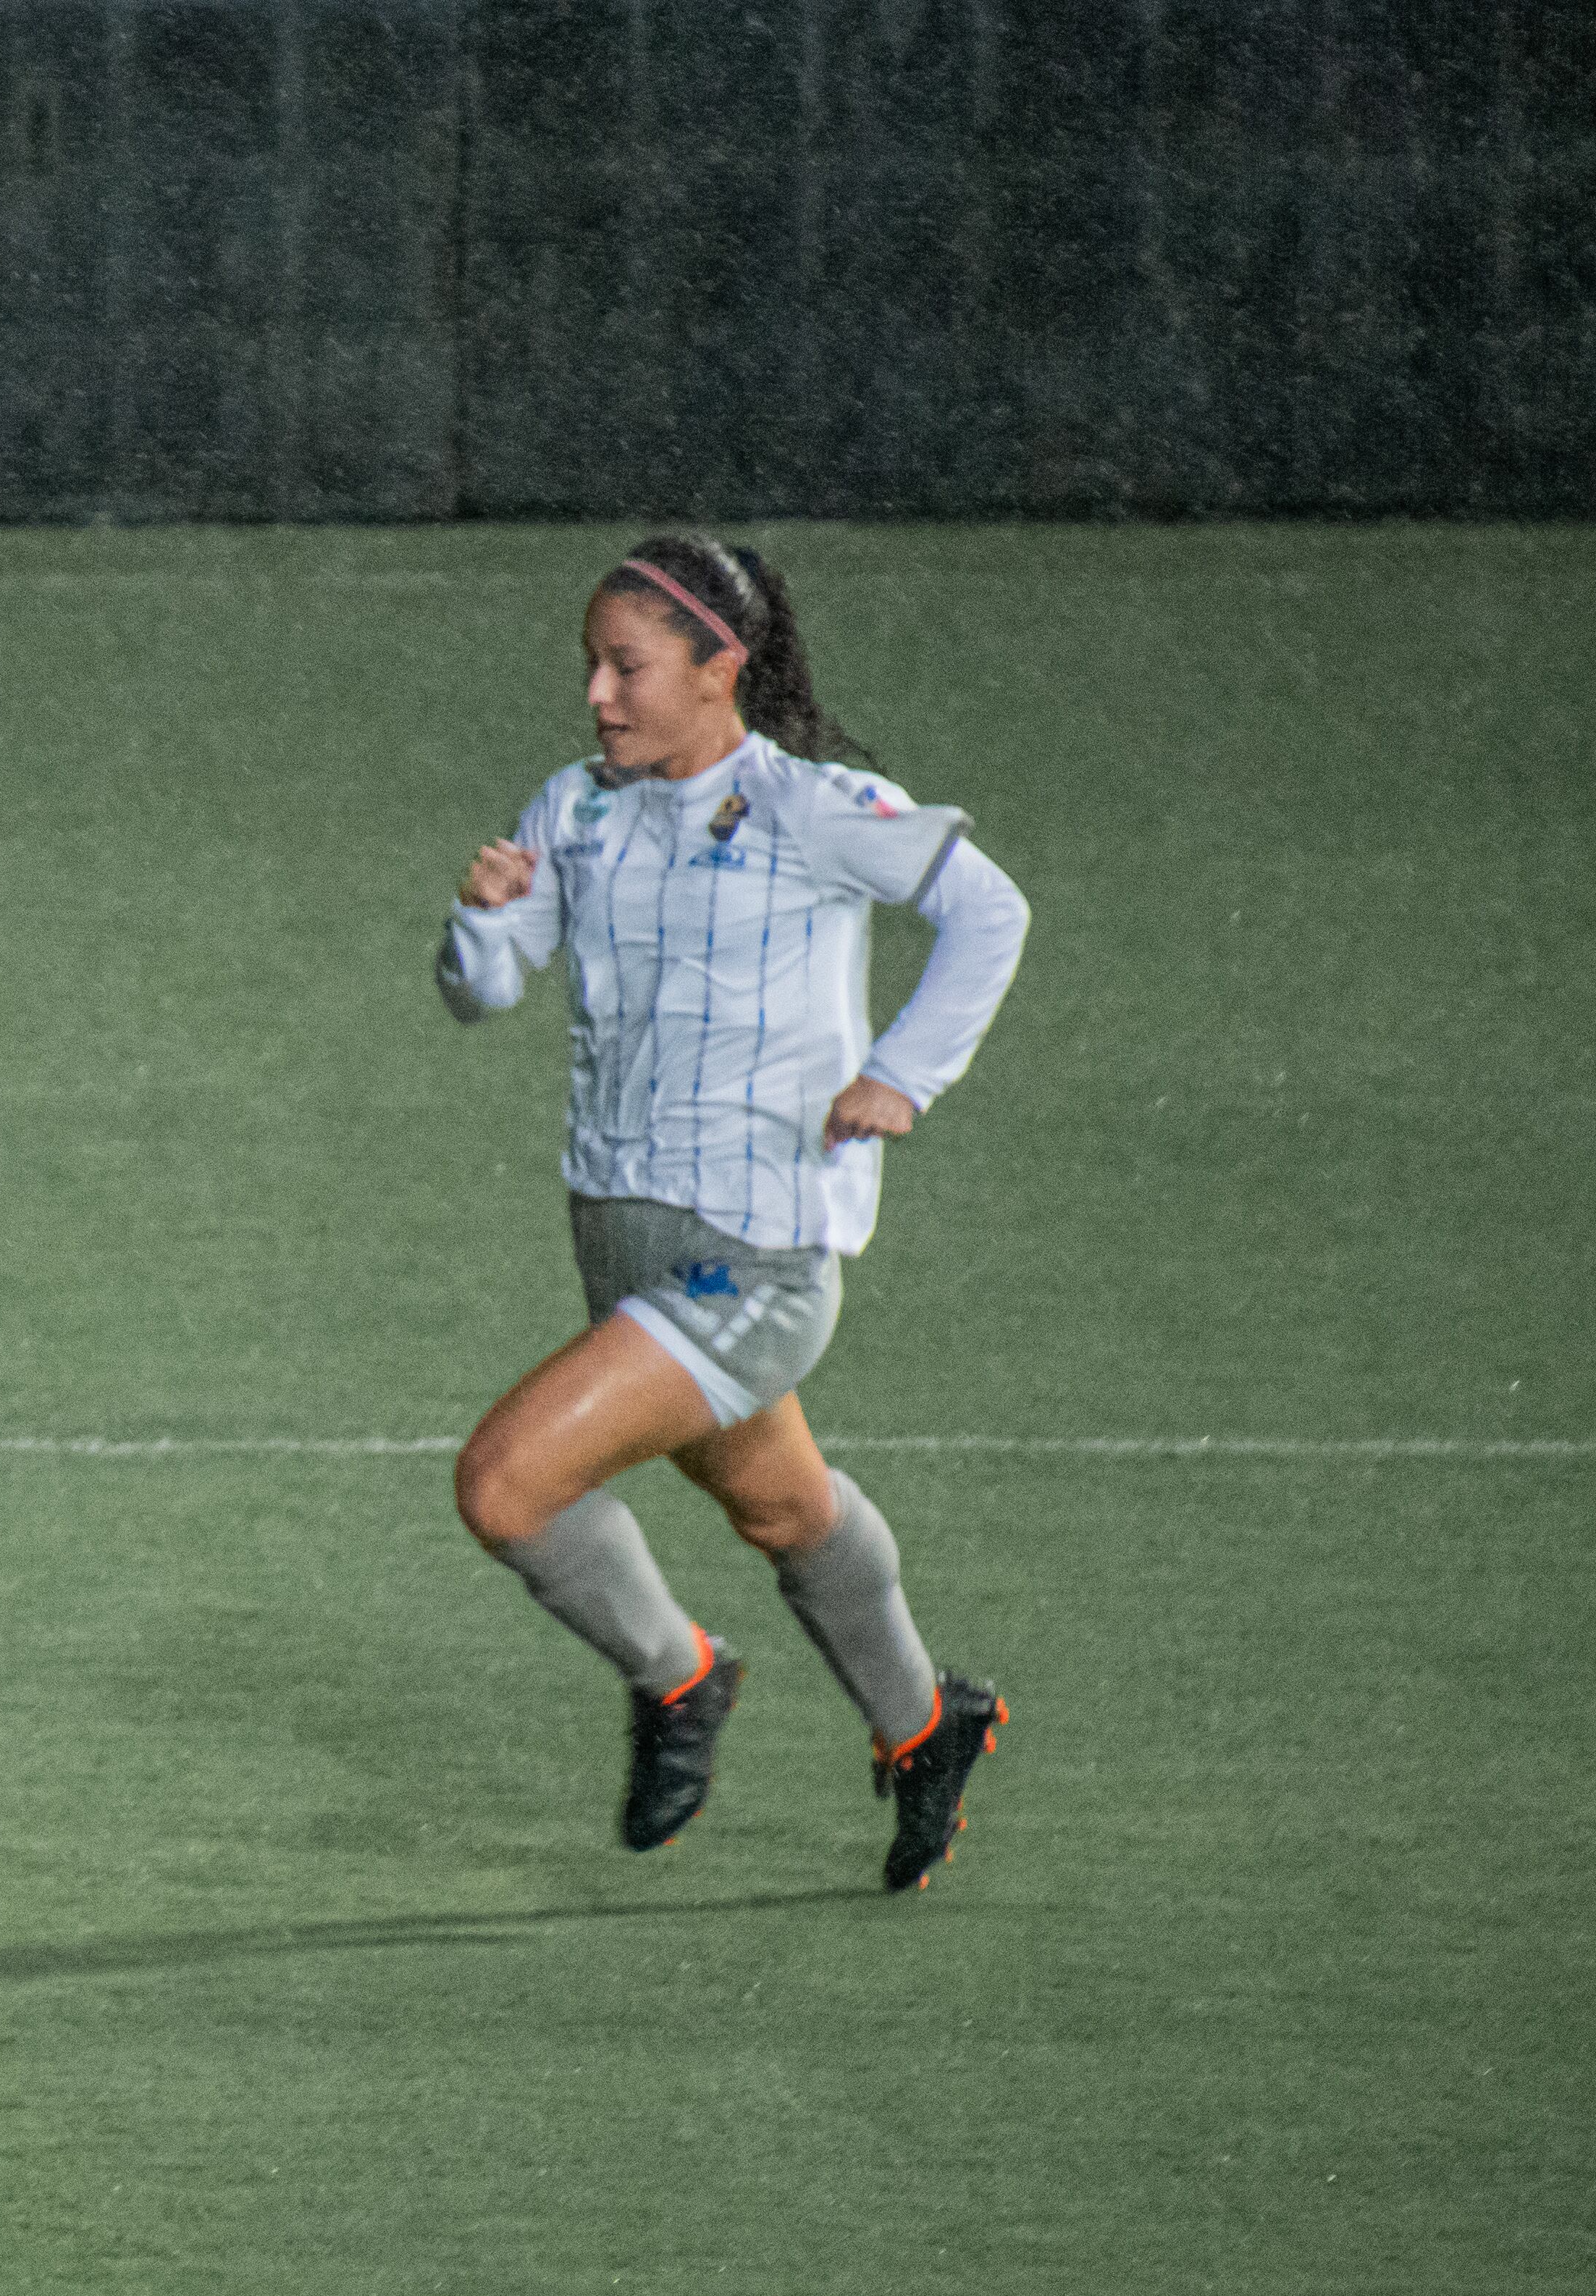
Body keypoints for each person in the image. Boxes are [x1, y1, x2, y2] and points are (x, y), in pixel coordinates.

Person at [436, 533, 1032, 1893]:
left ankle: (678, 1673)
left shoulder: (816, 810)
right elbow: (483, 993)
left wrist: (901, 1076)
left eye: (626, 665)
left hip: (754, 1265)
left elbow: (989, 912)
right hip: (624, 1247)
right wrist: (481, 922)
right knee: (785, 1512)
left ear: (722, 670)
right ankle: (929, 1725)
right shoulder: (575, 813)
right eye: (591, 663)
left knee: (508, 1485)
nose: (597, 693)